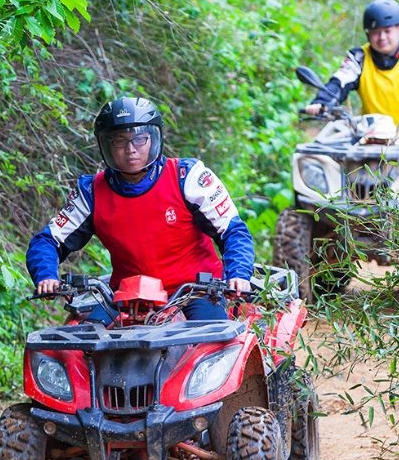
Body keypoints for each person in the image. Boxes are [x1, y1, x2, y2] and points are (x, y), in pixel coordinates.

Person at [27, 96, 254, 321]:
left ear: (153, 139)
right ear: (106, 145)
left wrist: (238, 274)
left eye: (139, 140)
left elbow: (233, 230)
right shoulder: (91, 192)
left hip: (195, 292)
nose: (130, 150)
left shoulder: (188, 177)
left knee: (213, 338)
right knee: (79, 338)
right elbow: (48, 240)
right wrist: (46, 275)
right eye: (119, 142)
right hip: (126, 297)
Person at [304, 0, 399, 144]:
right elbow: (340, 82)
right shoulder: (359, 58)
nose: (382, 37)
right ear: (368, 34)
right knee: (331, 156)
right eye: (375, 32)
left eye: (387, 31)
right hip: (374, 137)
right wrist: (321, 102)